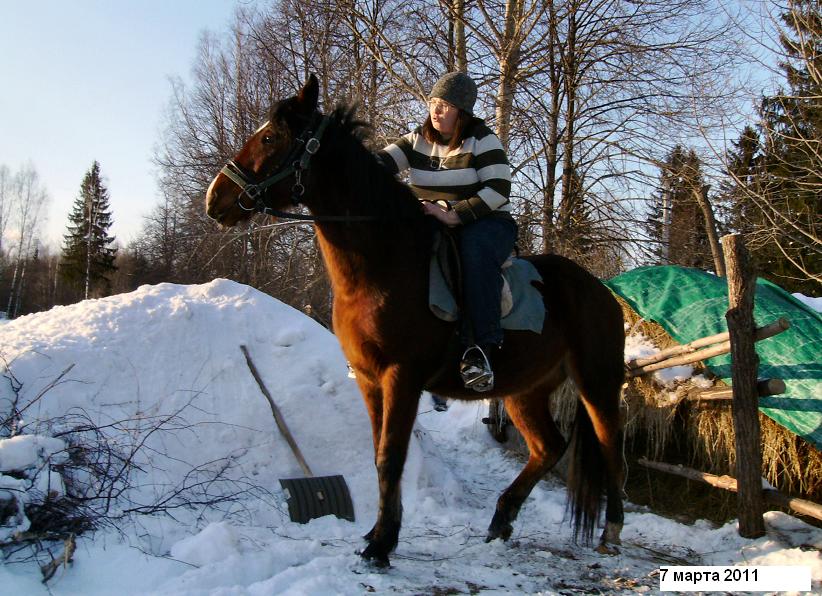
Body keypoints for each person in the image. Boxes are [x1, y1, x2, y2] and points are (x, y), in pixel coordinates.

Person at [377, 72, 516, 392]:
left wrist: (455, 215)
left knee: (473, 249)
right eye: (433, 103)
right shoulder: (417, 140)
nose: (435, 111)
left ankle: (480, 350)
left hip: (488, 223)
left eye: (444, 105)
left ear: (461, 111)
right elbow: (377, 164)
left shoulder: (482, 139)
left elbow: (499, 189)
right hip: (432, 221)